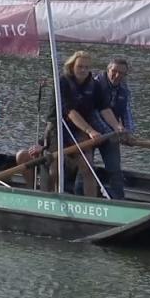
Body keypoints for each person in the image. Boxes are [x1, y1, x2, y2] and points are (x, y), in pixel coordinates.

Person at [20, 51, 103, 196]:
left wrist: (116, 127)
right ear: (72, 67)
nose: (83, 70)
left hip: (79, 131)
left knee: (88, 167)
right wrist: (90, 131)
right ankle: (49, 197)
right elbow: (70, 111)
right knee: (55, 169)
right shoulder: (62, 83)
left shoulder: (94, 85)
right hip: (58, 129)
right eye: (80, 67)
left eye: (86, 67)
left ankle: (92, 201)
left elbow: (103, 109)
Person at [85, 57, 135, 199]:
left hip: (111, 133)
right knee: (85, 168)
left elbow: (127, 113)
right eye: (114, 71)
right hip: (88, 132)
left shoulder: (124, 90)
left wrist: (128, 132)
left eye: (122, 73)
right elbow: (93, 112)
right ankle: (80, 196)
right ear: (107, 70)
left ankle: (119, 200)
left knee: (115, 169)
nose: (117, 75)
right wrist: (111, 132)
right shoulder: (94, 85)